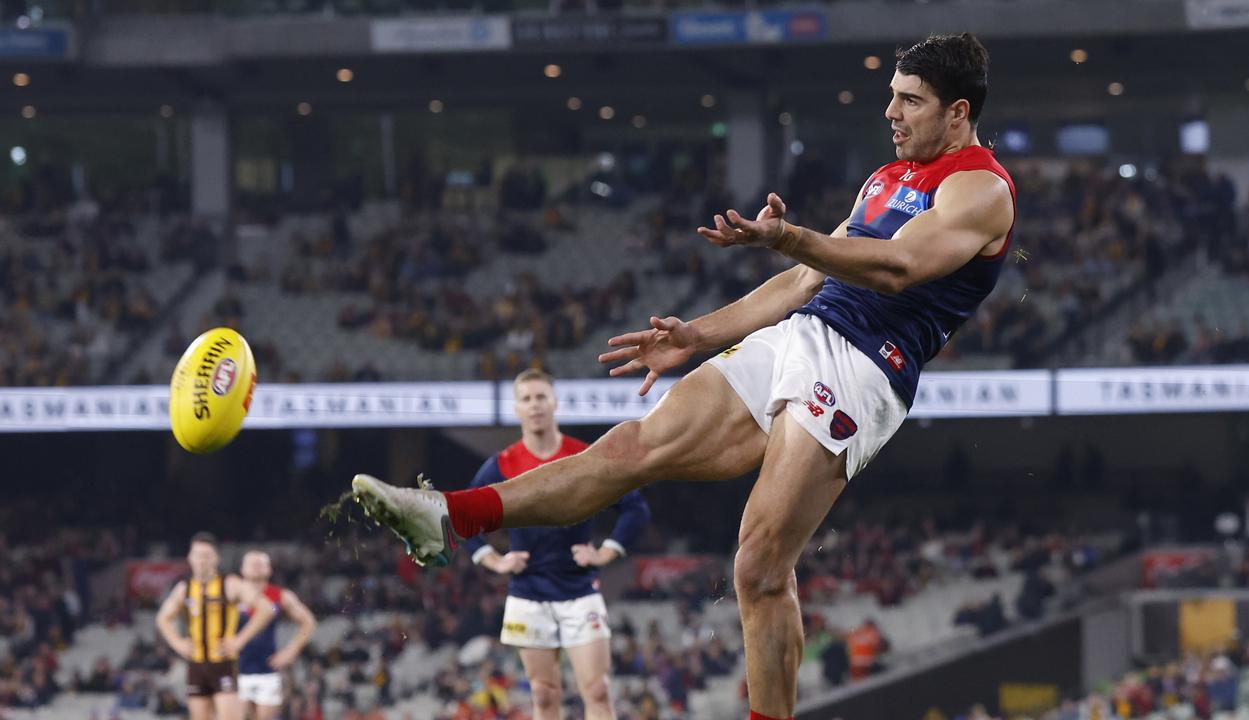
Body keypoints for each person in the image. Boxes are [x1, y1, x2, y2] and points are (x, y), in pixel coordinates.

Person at [352, 32, 1015, 720]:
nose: (892, 112)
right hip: (801, 334)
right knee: (627, 448)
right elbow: (803, 278)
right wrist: (696, 337)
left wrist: (787, 234)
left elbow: (897, 269)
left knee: (758, 567)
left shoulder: (981, 189)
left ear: (958, 112)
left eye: (910, 100)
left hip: (863, 370)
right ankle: (448, 516)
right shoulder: (885, 178)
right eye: (892, 97)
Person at [466, 369, 649, 720]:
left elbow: (635, 507)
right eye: (526, 399)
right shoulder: (501, 465)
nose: (534, 405)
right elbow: (466, 520)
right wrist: (494, 560)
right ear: (516, 408)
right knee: (544, 694)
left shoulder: (583, 458)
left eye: (540, 397)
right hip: (527, 592)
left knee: (597, 690)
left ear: (555, 402)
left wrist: (607, 551)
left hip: (579, 589)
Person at [156, 532, 277, 720]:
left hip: (223, 664)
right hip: (196, 666)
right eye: (198, 555)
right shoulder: (184, 589)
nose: (202, 561)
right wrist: (177, 643)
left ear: (216, 558)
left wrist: (239, 640)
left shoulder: (229, 584)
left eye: (207, 556)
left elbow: (266, 609)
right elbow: (162, 618)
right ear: (190, 557)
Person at [237, 550, 318, 720]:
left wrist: (291, 651)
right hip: (236, 669)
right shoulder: (233, 594)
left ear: (269, 570)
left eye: (261, 564)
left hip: (267, 668)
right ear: (242, 570)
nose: (257, 567)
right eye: (252, 563)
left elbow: (308, 621)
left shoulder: (280, 596)